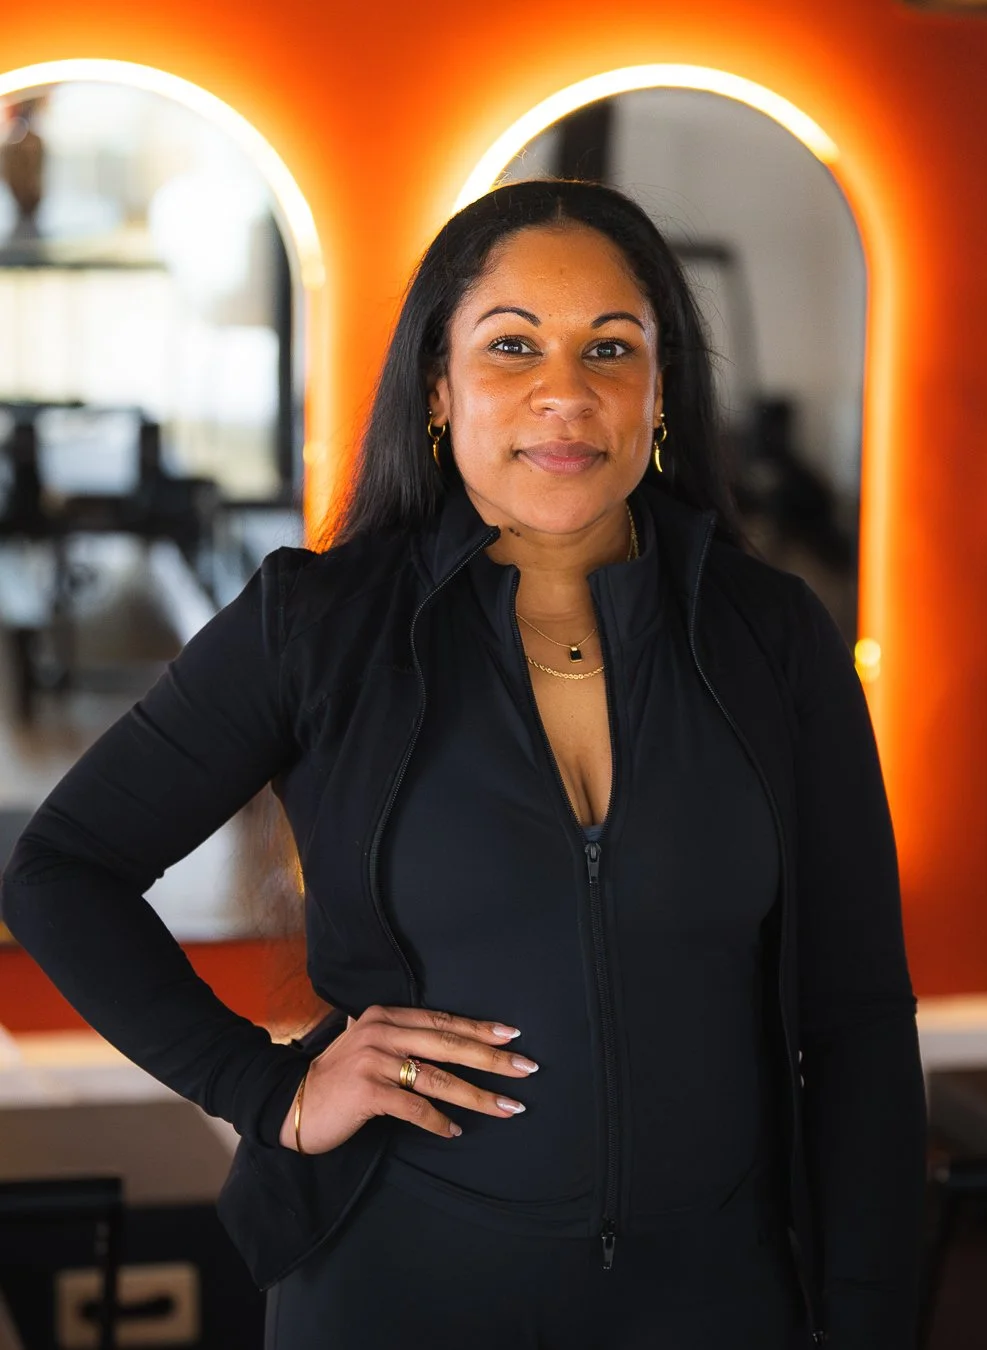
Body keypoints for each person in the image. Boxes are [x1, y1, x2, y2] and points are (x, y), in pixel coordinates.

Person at [0, 179, 927, 1349]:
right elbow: (60, 869)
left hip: (714, 1301)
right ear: (438, 390)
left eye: (611, 347)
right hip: (398, 1288)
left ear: (661, 395)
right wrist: (268, 1090)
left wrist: (872, 1322)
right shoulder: (318, 623)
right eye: (511, 346)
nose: (565, 392)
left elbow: (857, 1020)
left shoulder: (775, 636)